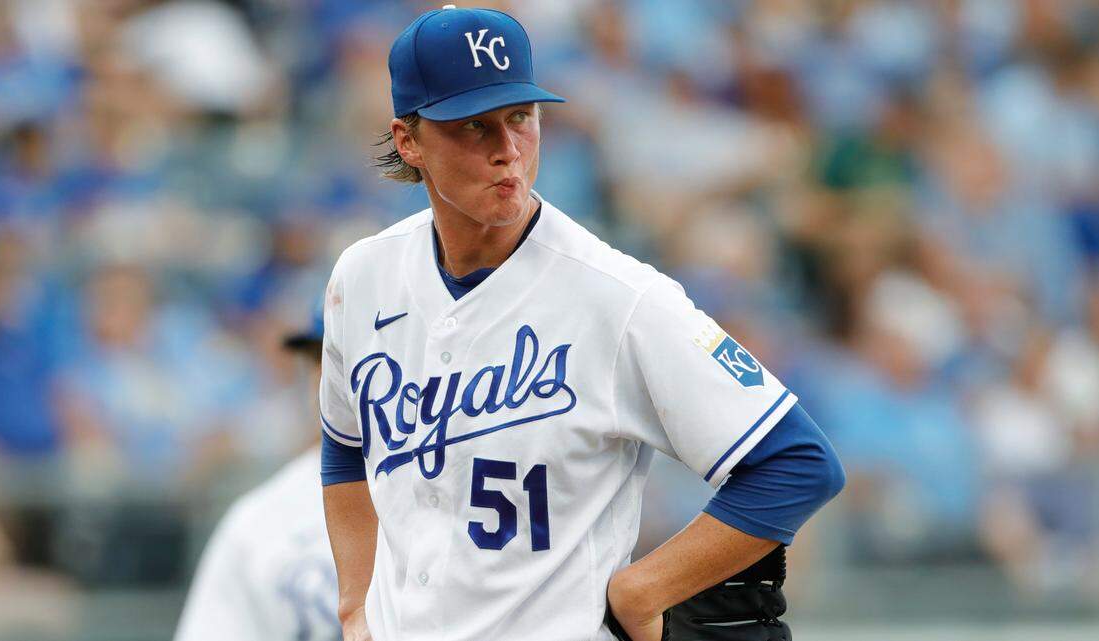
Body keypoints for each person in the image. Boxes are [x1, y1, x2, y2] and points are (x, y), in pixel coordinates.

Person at [319, 6, 844, 641]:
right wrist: (355, 604)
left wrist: (643, 589)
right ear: (409, 140)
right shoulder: (363, 276)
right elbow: (345, 449)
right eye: (474, 127)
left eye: (520, 118)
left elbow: (796, 462)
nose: (507, 150)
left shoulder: (619, 297)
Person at [174, 308, 342, 641]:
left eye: (352, 359)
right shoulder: (260, 519)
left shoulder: (465, 487)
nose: (333, 379)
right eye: (321, 361)